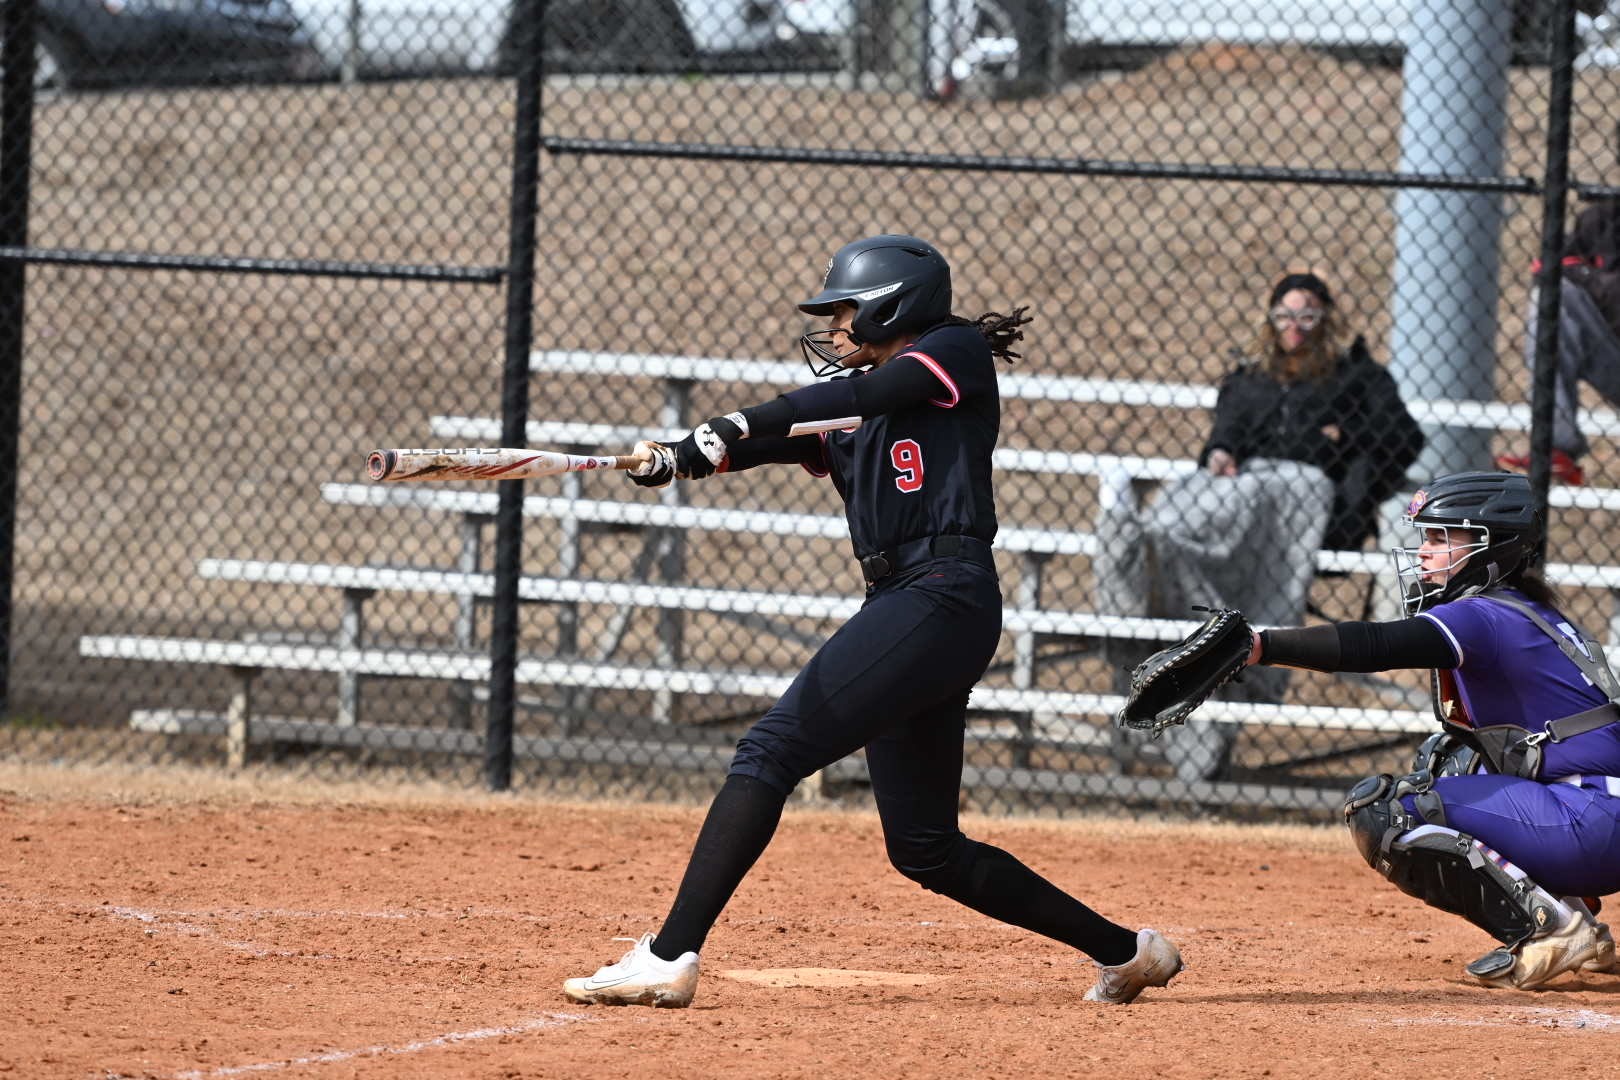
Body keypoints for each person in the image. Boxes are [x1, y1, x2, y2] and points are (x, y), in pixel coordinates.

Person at [560, 234, 1183, 1009]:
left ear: (897, 304)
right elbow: (788, 439)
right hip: (912, 604)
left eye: (847, 311)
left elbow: (836, 404)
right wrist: (686, 457)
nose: (835, 328)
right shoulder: (864, 400)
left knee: (770, 749)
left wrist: (733, 420)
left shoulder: (949, 351)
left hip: (941, 593)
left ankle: (670, 952)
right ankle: (1128, 951)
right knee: (927, 850)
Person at [1241, 470, 1620, 989]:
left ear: (1494, 548)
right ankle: (1579, 924)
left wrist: (1261, 646)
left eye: (1443, 538)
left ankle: (1554, 928)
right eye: (1426, 536)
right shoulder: (1528, 609)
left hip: (1590, 824)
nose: (1424, 552)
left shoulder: (1482, 616)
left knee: (1381, 811)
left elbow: (1375, 647)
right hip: (1599, 814)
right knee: (1449, 757)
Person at [1096, 271, 1423, 783]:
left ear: (1326, 320)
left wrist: (1344, 436)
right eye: (1286, 316)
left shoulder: (1355, 377)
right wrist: (1221, 452)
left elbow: (1404, 438)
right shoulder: (1250, 378)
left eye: (1308, 316)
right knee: (1202, 491)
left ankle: (1160, 545)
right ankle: (1159, 548)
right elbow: (1225, 435)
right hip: (1240, 487)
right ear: (1271, 320)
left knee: (1262, 491)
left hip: (1307, 498)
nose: (1296, 327)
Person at [1497, 158, 1620, 487]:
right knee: (1552, 300)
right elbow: (1546, 268)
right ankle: (1556, 445)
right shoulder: (1602, 219)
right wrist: (1595, 282)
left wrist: (1587, 277)